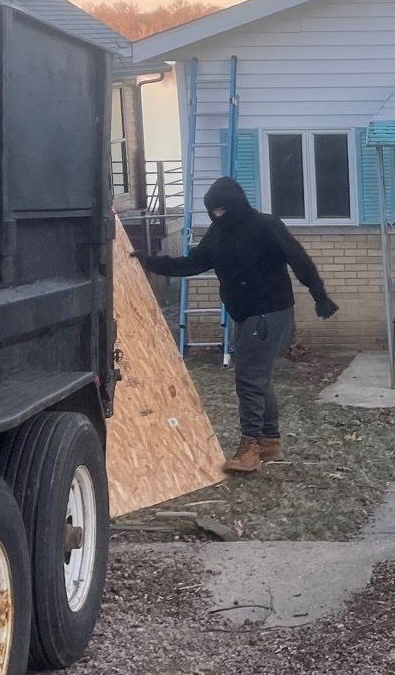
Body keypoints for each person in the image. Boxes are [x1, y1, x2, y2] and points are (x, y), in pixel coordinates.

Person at [145, 176, 339, 474]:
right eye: (213, 212)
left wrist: (320, 296)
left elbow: (299, 259)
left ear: (236, 204)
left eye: (222, 209)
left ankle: (250, 448)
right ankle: (269, 441)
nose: (218, 215)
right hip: (247, 316)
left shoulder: (265, 225)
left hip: (269, 314)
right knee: (258, 378)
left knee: (248, 380)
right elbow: (191, 264)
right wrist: (150, 263)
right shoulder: (217, 234)